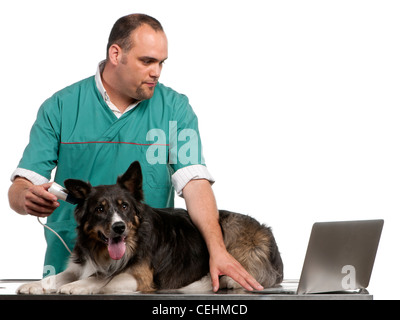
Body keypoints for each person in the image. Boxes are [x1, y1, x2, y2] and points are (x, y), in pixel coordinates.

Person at [8, 13, 262, 292]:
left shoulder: (175, 108)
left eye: (161, 62)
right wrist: (26, 197)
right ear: (116, 54)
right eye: (147, 61)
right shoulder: (60, 106)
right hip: (71, 268)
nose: (157, 72)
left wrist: (218, 250)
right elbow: (22, 186)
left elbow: (195, 184)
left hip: (139, 272)